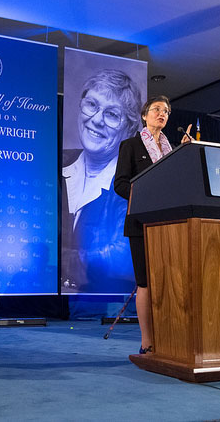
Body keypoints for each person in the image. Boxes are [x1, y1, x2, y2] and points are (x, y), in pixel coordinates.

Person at [114, 95, 191, 354]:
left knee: (168, 281)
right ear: (145, 115)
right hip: (141, 224)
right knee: (146, 282)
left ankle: (170, 336)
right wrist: (145, 196)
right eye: (157, 109)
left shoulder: (171, 149)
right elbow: (121, 184)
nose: (163, 114)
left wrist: (184, 154)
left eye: (167, 111)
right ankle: (147, 340)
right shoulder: (131, 145)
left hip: (170, 224)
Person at [61, 69, 142, 293]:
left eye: (112, 114)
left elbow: (121, 257)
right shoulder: (56, 163)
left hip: (100, 302)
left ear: (129, 129)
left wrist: (58, 262)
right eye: (92, 105)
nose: (96, 120)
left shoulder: (130, 185)